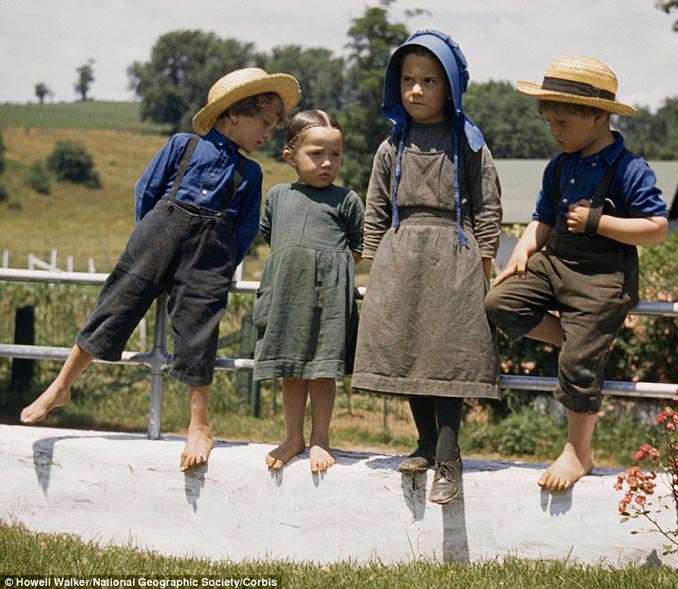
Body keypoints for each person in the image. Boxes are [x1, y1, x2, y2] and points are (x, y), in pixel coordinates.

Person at [19, 67, 301, 471]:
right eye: (264, 123)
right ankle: (61, 386)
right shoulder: (182, 146)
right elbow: (147, 193)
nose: (268, 133)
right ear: (235, 114)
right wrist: (153, 244)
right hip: (158, 234)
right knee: (117, 304)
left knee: (199, 326)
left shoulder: (250, 172)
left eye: (274, 126)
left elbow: (244, 231)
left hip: (211, 252)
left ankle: (199, 424)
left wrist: (216, 268)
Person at [485, 56, 668, 491]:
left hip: (603, 278)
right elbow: (541, 217)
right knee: (499, 302)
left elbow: (656, 229)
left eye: (562, 122)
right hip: (556, 262)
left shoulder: (628, 169)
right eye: (550, 122)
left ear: (599, 117)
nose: (555, 131)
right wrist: (525, 249)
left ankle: (578, 451)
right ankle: (584, 342)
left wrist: (598, 222)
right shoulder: (559, 165)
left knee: (578, 363)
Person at [352, 30, 502, 505]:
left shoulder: (470, 144)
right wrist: (373, 262)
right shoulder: (390, 146)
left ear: (451, 86)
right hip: (401, 256)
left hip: (455, 253)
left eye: (429, 81)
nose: (416, 91)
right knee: (409, 347)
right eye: (408, 80)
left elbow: (488, 206)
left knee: (447, 352)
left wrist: (482, 263)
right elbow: (376, 206)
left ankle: (449, 456)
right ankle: (422, 442)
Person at [253, 110, 364, 473]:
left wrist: (330, 272)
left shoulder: (347, 200)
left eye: (335, 154)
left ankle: (320, 438)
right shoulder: (277, 195)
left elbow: (359, 246)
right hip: (288, 292)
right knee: (292, 368)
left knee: (322, 370)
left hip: (328, 298)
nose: (327, 163)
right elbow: (272, 236)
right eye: (316, 154)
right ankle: (292, 437)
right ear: (290, 156)